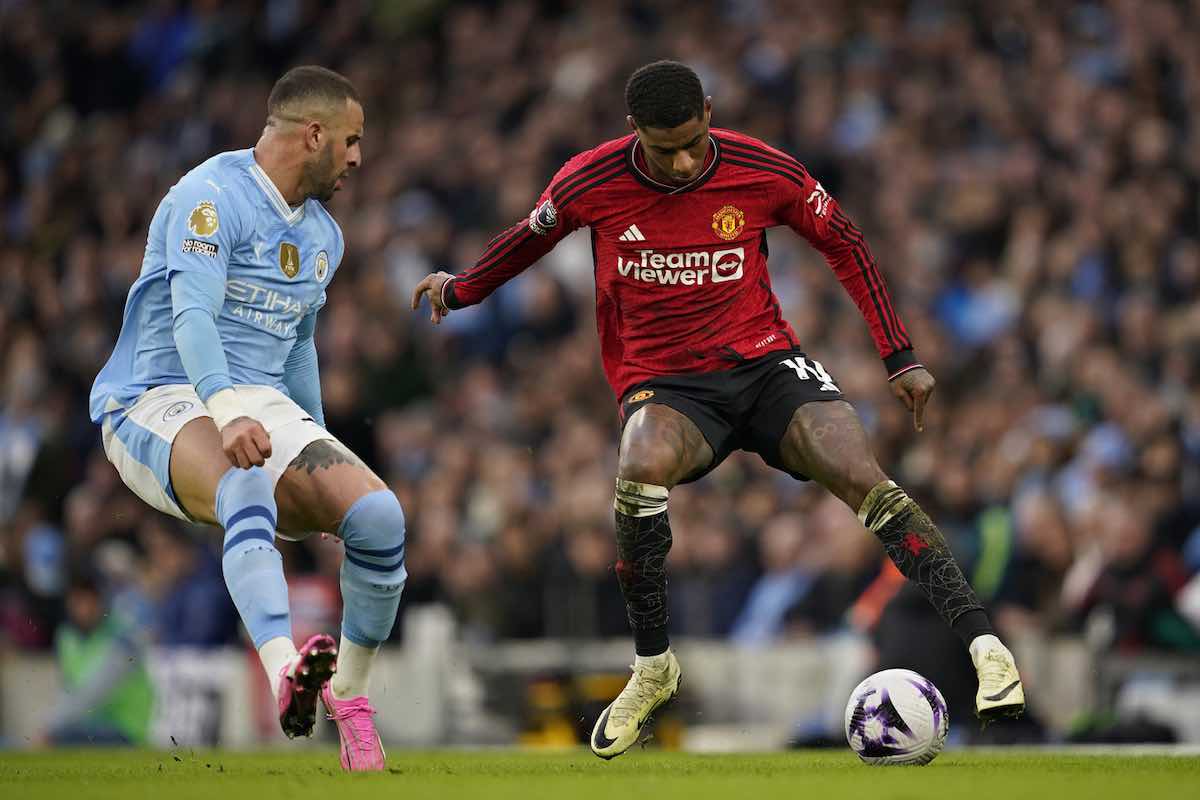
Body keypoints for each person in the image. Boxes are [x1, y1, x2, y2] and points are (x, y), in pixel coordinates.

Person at [412, 60, 1024, 759]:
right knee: (637, 467)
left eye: (691, 142)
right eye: (661, 147)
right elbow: (530, 235)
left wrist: (899, 354)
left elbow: (844, 242)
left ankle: (984, 645)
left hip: (765, 365)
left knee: (860, 470)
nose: (679, 161)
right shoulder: (591, 179)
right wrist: (461, 290)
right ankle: (653, 667)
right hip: (667, 384)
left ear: (708, 111)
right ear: (631, 130)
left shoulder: (762, 168)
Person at [89, 65, 404, 771]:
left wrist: (320, 446)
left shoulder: (325, 236)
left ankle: (347, 704)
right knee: (248, 482)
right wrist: (228, 414)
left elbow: (297, 349)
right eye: (351, 141)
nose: (358, 157)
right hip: (159, 395)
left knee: (380, 519)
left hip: (257, 404)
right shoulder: (208, 196)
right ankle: (284, 668)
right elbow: (194, 316)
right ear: (313, 133)